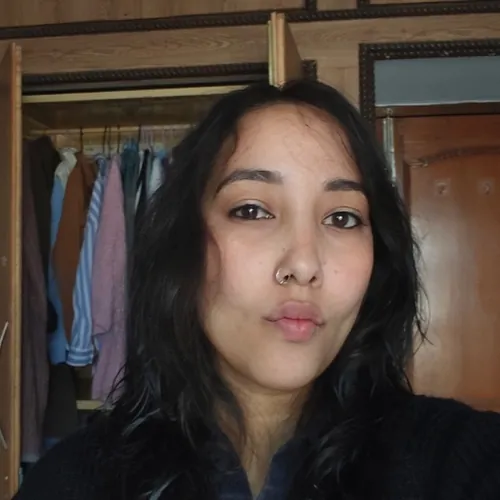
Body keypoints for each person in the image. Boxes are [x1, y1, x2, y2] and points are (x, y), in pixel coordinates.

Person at [14, 80, 500, 500]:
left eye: (342, 217)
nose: (304, 265)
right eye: (252, 210)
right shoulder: (71, 481)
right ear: (183, 243)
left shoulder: (459, 462)